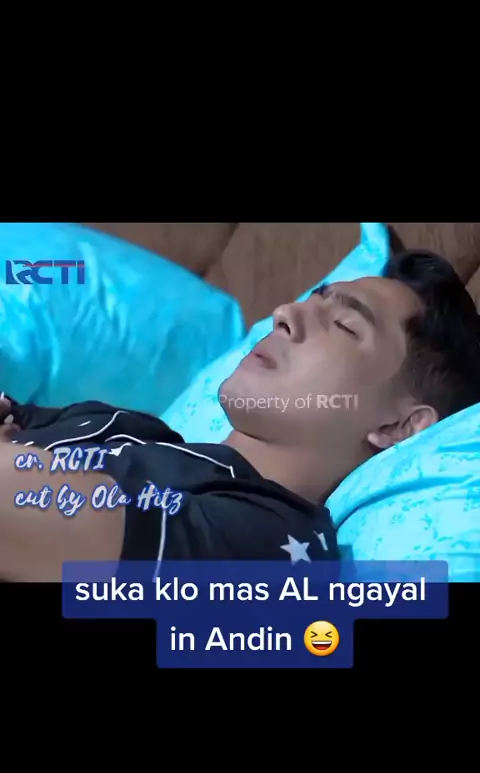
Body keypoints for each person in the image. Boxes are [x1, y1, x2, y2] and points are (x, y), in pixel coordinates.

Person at [0, 248, 479, 581]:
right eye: (310, 300)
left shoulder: (273, 544)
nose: (285, 313)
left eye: (343, 324)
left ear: (398, 426)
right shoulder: (125, 427)